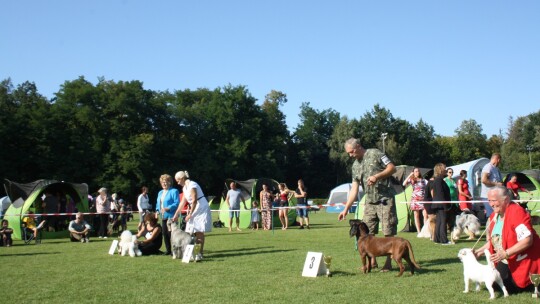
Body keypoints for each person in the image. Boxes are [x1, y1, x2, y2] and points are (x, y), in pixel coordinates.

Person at [339, 138, 397, 271]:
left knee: (388, 230)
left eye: (351, 152)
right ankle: (372, 262)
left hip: (384, 198)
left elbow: (392, 168)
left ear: (358, 146)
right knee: (367, 232)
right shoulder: (355, 166)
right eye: (348, 153)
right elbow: (354, 189)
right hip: (369, 201)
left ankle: (388, 262)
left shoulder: (376, 153)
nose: (350, 155)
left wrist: (377, 176)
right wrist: (346, 209)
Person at [474, 186, 540, 294]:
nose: (491, 204)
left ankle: (533, 283)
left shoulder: (517, 212)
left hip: (524, 258)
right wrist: (479, 251)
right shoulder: (494, 216)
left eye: (494, 200)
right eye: (489, 200)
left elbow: (527, 240)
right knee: (494, 283)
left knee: (507, 286)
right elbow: (495, 240)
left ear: (506, 199)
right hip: (507, 259)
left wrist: (506, 253)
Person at [173, 170, 212, 262]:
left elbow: (194, 200)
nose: (177, 183)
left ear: (182, 178)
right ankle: (191, 254)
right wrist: (176, 214)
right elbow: (182, 202)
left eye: (178, 180)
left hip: (201, 207)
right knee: (190, 232)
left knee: (199, 232)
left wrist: (190, 214)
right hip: (194, 208)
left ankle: (199, 254)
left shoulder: (192, 184)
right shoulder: (184, 188)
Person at [428, 163, 452, 244]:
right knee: (442, 222)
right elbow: (440, 194)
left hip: (439, 204)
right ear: (440, 170)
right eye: (444, 168)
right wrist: (445, 206)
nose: (445, 170)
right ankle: (443, 240)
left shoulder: (439, 180)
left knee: (439, 221)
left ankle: (437, 239)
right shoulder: (438, 180)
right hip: (441, 205)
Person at [156, 174, 179, 256]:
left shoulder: (174, 191)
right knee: (165, 233)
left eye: (166, 182)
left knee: (172, 234)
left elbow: (176, 203)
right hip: (163, 216)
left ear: (170, 182)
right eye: (162, 182)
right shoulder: (160, 192)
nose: (164, 184)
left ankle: (175, 250)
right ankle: (168, 250)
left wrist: (168, 208)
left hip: (171, 216)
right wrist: (157, 211)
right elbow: (158, 204)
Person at [403, 167, 428, 235]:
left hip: (423, 199)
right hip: (415, 200)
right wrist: (410, 175)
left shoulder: (424, 180)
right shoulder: (412, 180)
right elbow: (404, 184)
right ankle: (419, 232)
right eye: (415, 171)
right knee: (416, 215)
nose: (417, 172)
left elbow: (428, 187)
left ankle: (425, 231)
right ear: (413, 172)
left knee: (425, 215)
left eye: (418, 171)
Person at [481, 153, 503, 217]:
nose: (499, 163)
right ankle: (490, 226)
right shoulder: (488, 167)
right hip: (488, 197)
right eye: (500, 161)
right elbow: (483, 180)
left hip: (495, 196)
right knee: (491, 216)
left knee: (497, 214)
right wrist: (496, 184)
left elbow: (501, 181)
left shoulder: (496, 169)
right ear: (498, 160)